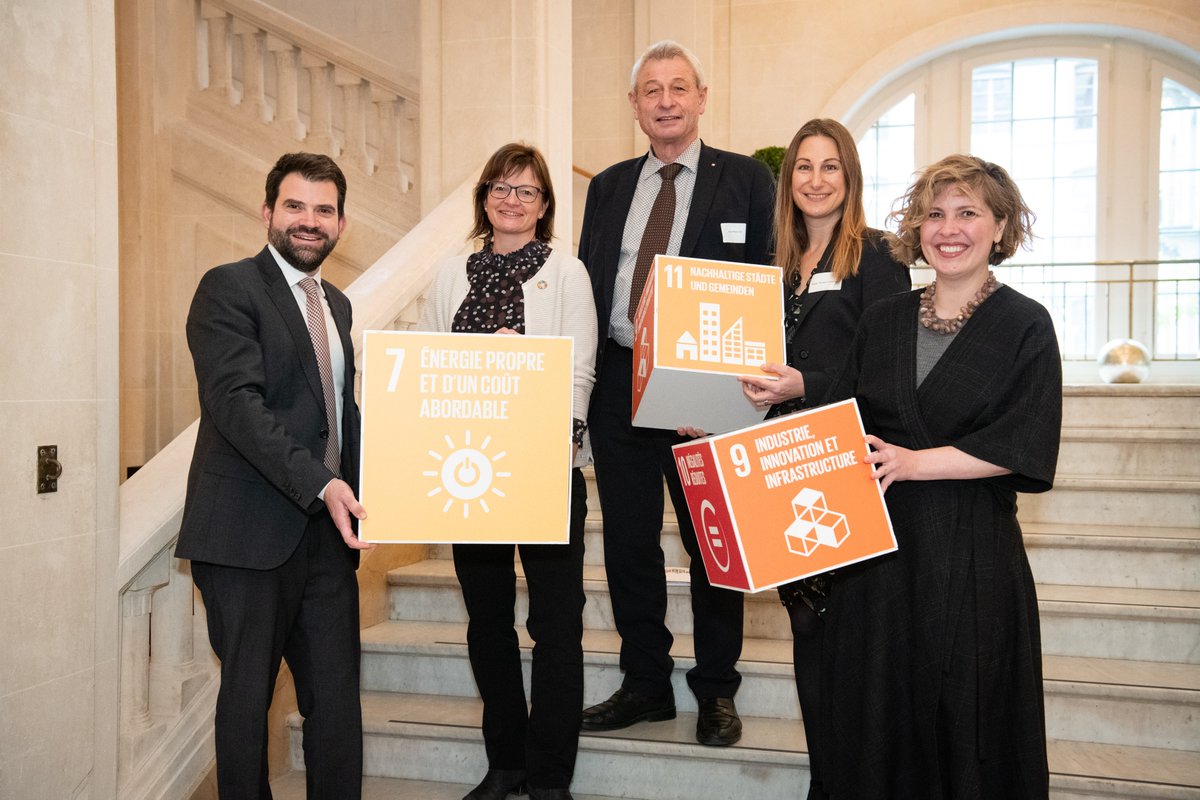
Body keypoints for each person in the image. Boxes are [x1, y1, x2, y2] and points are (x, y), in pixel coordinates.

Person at [819, 154, 1061, 799]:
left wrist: (914, 462)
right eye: (934, 214)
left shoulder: (1026, 324)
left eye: (968, 213)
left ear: (1000, 226)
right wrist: (725, 428)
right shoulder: (884, 318)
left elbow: (1026, 442)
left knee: (967, 712)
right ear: (917, 228)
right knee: (877, 709)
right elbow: (838, 425)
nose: (948, 228)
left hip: (972, 552)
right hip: (877, 553)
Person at [578, 40, 775, 747]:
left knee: (710, 544)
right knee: (629, 545)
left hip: (705, 398)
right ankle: (645, 684)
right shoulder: (606, 187)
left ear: (701, 98)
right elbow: (586, 288)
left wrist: (744, 392)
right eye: (651, 90)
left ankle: (717, 691)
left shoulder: (749, 182)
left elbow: (768, 286)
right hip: (619, 386)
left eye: (678, 88)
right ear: (634, 106)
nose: (665, 100)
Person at [177, 152, 371, 799]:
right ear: (267, 212)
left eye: (323, 209)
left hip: (326, 540)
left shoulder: (338, 305)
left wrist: (397, 478)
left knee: (339, 707)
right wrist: (321, 482)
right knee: (247, 705)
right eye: (295, 206)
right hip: (247, 538)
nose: (308, 221)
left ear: (341, 222)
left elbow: (337, 417)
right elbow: (237, 405)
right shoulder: (228, 289)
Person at [736, 118, 910, 799]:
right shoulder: (771, 268)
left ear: (850, 177)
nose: (815, 179)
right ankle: (827, 776)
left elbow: (891, 368)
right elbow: (748, 366)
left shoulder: (877, 258)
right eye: (803, 167)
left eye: (829, 166)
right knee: (805, 627)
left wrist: (806, 384)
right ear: (789, 183)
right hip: (779, 464)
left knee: (854, 640)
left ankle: (858, 778)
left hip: (844, 470)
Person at [419, 143, 597, 800]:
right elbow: (429, 363)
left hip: (546, 467)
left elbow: (579, 367)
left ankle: (550, 777)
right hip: (472, 471)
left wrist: (558, 430)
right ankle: (507, 762)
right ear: (484, 198)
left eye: (525, 190)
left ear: (545, 204)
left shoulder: (566, 272)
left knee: (554, 625)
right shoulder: (451, 272)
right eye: (499, 186)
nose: (510, 199)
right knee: (487, 620)